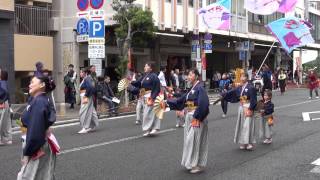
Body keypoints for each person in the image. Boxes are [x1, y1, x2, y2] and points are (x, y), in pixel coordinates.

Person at [167, 69, 210, 174]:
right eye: (188, 75)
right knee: (189, 141)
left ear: (196, 76)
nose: (188, 77)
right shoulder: (192, 89)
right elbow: (182, 100)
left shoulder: (200, 88)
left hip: (197, 118)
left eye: (190, 74)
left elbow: (204, 104)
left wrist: (198, 117)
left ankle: (197, 164)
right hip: (190, 117)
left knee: (194, 141)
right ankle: (191, 162)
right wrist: (168, 101)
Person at [17, 75, 57, 180]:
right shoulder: (40, 100)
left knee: (27, 176)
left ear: (42, 85)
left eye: (32, 82)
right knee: (42, 175)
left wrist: (27, 153)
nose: (29, 85)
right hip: (40, 143)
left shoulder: (39, 101)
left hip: (37, 146)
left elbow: (35, 131)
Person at [223, 73, 257, 150]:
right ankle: (242, 142)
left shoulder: (251, 87)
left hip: (248, 107)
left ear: (247, 78)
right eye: (241, 76)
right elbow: (232, 92)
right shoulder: (240, 87)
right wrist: (224, 94)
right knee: (241, 125)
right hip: (242, 107)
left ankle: (248, 142)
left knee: (247, 125)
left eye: (243, 76)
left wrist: (251, 109)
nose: (242, 78)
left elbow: (254, 100)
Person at [130, 62, 161, 136]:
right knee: (147, 113)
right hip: (144, 96)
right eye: (145, 66)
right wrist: (131, 82)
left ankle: (153, 128)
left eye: (146, 66)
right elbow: (138, 83)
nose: (144, 67)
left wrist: (153, 98)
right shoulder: (144, 76)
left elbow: (157, 88)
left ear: (151, 68)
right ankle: (149, 129)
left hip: (151, 96)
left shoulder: (154, 76)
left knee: (150, 113)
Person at [78, 68, 99, 134]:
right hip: (86, 96)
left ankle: (85, 127)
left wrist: (86, 95)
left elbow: (91, 87)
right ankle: (93, 125)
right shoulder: (87, 78)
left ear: (85, 73)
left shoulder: (87, 79)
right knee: (91, 111)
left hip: (85, 96)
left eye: (81, 72)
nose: (80, 74)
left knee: (83, 112)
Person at [0, 70, 12, 145]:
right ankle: (7, 139)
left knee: (2, 121)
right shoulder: (4, 82)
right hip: (5, 102)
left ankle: (4, 139)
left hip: (2, 103)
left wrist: (1, 100)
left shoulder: (2, 82)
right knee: (6, 122)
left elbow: (4, 92)